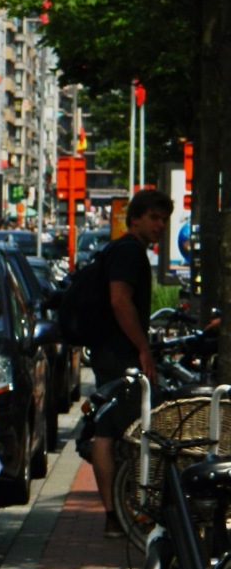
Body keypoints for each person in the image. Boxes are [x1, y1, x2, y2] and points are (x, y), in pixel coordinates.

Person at [87, 188, 173, 536]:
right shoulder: (129, 252)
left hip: (110, 352)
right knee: (131, 429)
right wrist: (143, 349)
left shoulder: (121, 249)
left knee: (110, 429)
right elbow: (120, 300)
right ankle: (124, 512)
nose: (161, 225)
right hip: (120, 356)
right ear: (135, 218)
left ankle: (116, 514)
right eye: (154, 217)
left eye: (164, 219)